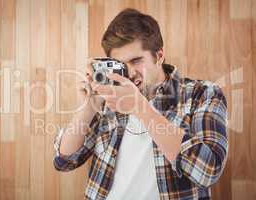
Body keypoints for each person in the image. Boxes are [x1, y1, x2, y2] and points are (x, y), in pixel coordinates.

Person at [53, 8, 228, 200]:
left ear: (159, 55)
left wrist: (140, 108)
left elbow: (208, 171)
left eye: (136, 60)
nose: (130, 72)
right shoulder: (109, 98)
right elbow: (65, 160)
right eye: (121, 64)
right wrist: (89, 107)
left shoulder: (202, 94)